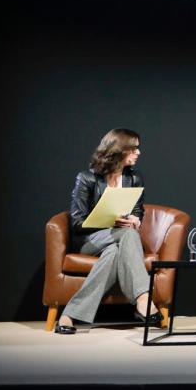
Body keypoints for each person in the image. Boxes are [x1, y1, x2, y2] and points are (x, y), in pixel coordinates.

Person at [55, 128, 160, 334]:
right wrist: (110, 221)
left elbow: (138, 210)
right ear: (119, 150)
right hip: (90, 240)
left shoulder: (134, 178)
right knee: (127, 234)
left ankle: (68, 315)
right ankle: (143, 298)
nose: (138, 153)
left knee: (114, 252)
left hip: (119, 240)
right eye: (134, 149)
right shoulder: (87, 178)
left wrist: (135, 219)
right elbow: (77, 222)